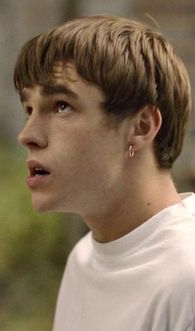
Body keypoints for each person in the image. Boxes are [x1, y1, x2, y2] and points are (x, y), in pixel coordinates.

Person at [13, 15, 195, 331]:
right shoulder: (84, 259)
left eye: (60, 106)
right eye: (29, 109)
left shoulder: (186, 278)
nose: (27, 135)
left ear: (141, 126)